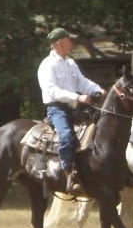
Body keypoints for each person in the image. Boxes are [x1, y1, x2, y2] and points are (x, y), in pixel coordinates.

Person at [36, 27, 103, 194]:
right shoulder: (47, 65)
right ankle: (68, 172)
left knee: (98, 128)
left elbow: (83, 82)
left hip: (74, 108)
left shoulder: (70, 63)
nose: (71, 43)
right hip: (57, 109)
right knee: (66, 135)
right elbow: (52, 90)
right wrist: (77, 97)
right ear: (59, 43)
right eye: (68, 40)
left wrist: (99, 89)